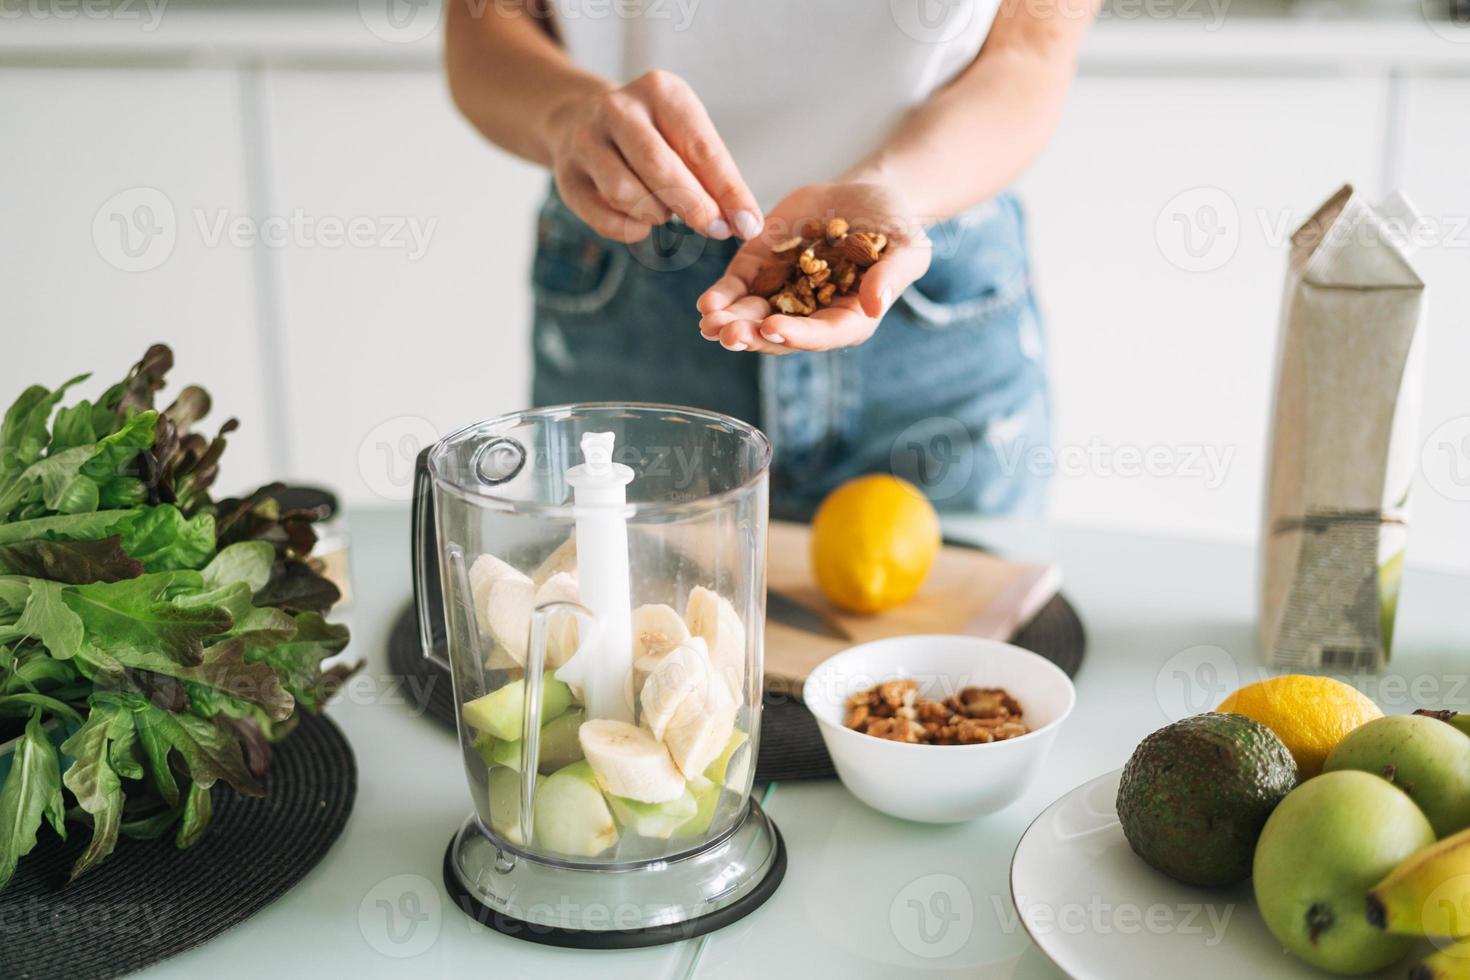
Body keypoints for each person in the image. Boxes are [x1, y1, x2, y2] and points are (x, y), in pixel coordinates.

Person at [446, 0, 1095, 518]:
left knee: (958, 658)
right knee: (613, 650)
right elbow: (482, 26)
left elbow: (1031, 51)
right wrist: (567, 115)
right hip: (626, 279)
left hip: (933, 284)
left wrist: (896, 191)